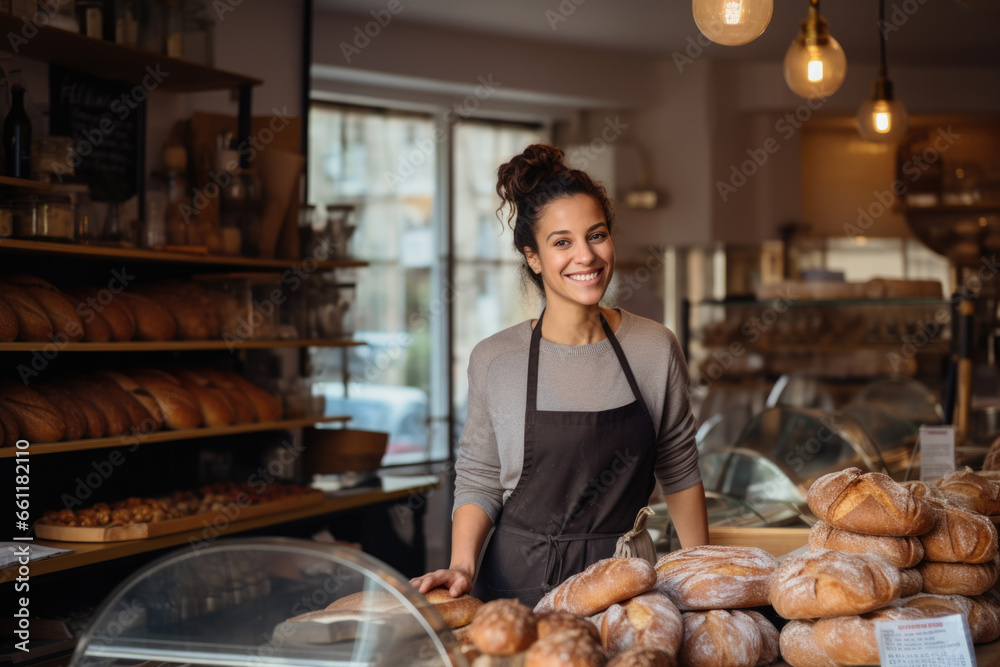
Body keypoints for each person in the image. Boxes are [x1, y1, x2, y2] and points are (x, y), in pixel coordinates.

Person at [411, 144, 708, 607]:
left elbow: (678, 465)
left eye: (597, 235)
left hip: (626, 585)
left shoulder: (653, 347)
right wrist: (462, 565)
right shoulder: (496, 359)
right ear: (533, 258)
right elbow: (481, 475)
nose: (586, 256)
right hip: (518, 586)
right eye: (562, 242)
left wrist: (703, 574)